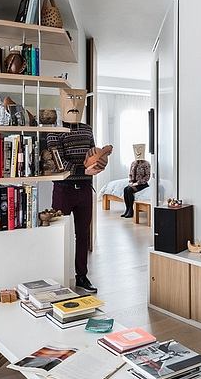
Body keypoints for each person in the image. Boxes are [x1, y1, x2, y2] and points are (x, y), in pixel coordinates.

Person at [46, 88, 111, 293]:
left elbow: (93, 154)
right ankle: (58, 277)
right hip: (63, 189)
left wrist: (101, 159)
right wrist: (85, 168)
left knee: (83, 234)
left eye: (78, 100)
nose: (75, 105)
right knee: (59, 235)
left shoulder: (87, 129)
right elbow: (58, 162)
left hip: (84, 188)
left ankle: (82, 277)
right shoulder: (54, 131)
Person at [121, 143, 151, 218]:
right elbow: (130, 174)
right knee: (125, 189)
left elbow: (147, 176)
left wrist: (138, 183)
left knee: (129, 190)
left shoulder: (146, 164)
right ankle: (127, 209)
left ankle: (131, 210)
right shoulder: (133, 163)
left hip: (142, 184)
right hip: (134, 183)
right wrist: (131, 181)